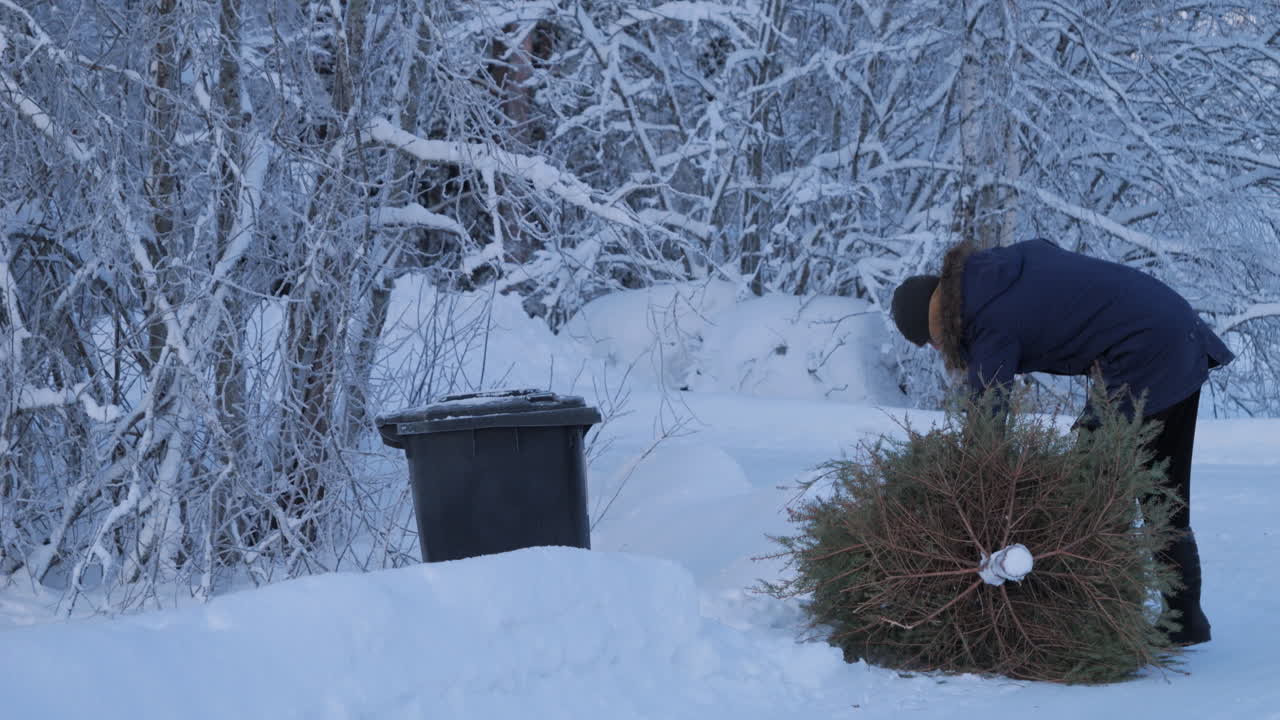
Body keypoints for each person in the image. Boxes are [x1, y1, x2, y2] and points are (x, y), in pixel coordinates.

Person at [891, 238, 1234, 646]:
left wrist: (972, 488)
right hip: (1175, 330)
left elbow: (987, 421)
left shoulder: (983, 315)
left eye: (927, 339)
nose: (935, 348)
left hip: (1145, 351)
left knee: (1092, 485)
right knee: (1161, 483)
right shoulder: (994, 276)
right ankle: (1184, 620)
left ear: (932, 318)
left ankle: (1105, 621)